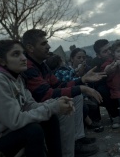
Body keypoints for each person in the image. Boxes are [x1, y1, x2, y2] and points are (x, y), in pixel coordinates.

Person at [0, 40, 75, 157]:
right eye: (16, 54)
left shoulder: (16, 79)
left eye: (23, 53)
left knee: (50, 118)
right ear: (1, 61)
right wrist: (51, 108)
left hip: (1, 135)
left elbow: (30, 105)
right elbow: (15, 121)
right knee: (33, 131)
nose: (24, 58)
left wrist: (55, 104)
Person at [22, 29, 105, 157]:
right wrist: (82, 88)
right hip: (32, 110)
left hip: (43, 103)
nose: (49, 46)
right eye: (43, 44)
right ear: (30, 47)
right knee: (65, 104)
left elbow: (58, 85)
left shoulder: (42, 65)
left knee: (75, 96)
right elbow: (45, 94)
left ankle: (77, 140)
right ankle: (67, 153)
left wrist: (81, 80)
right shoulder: (28, 66)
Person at [90, 39, 120, 128]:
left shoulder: (118, 53)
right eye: (105, 51)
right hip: (108, 90)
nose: (110, 52)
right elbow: (95, 82)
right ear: (98, 55)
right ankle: (115, 116)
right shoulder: (95, 63)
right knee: (102, 89)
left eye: (110, 48)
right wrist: (106, 73)